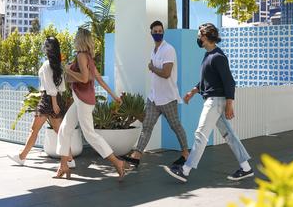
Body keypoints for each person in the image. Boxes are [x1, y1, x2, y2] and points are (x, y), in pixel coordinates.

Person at [163, 23, 253, 183]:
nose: (198, 38)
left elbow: (229, 82)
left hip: (215, 102)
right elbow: (208, 80)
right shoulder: (208, 55)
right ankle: (246, 168)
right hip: (213, 100)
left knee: (200, 134)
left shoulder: (218, 57)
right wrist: (193, 91)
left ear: (206, 36)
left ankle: (185, 170)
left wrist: (229, 105)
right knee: (229, 135)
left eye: (199, 35)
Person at [55, 27, 126, 180]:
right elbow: (98, 78)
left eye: (76, 37)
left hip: (83, 100)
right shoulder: (87, 56)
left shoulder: (81, 56)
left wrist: (67, 70)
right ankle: (63, 165)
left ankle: (117, 162)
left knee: (90, 135)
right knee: (64, 128)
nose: (74, 39)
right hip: (81, 100)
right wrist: (114, 96)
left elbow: (84, 78)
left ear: (80, 39)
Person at [121, 20, 189, 168]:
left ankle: (185, 153)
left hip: (168, 97)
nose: (158, 33)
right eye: (155, 31)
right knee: (147, 126)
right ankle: (137, 155)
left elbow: (166, 73)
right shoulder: (154, 50)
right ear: (151, 33)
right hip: (154, 98)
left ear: (163, 32)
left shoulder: (168, 49)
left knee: (175, 126)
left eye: (160, 31)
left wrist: (152, 67)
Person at [8, 37, 74, 168]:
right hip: (56, 99)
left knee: (34, 130)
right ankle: (70, 160)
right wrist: (56, 103)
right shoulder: (58, 65)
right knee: (59, 131)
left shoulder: (46, 65)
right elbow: (61, 87)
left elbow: (50, 87)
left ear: (47, 48)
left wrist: (54, 103)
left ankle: (21, 157)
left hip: (48, 100)